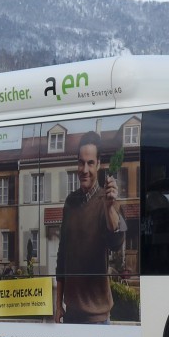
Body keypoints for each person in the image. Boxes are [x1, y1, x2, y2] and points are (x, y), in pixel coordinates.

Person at [54, 131, 127, 324]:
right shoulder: (70, 202)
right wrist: (57, 303)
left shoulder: (109, 201)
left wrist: (110, 207)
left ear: (99, 163)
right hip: (70, 315)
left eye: (90, 163)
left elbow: (115, 243)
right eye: (81, 162)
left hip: (98, 319)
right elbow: (62, 256)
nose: (84, 169)